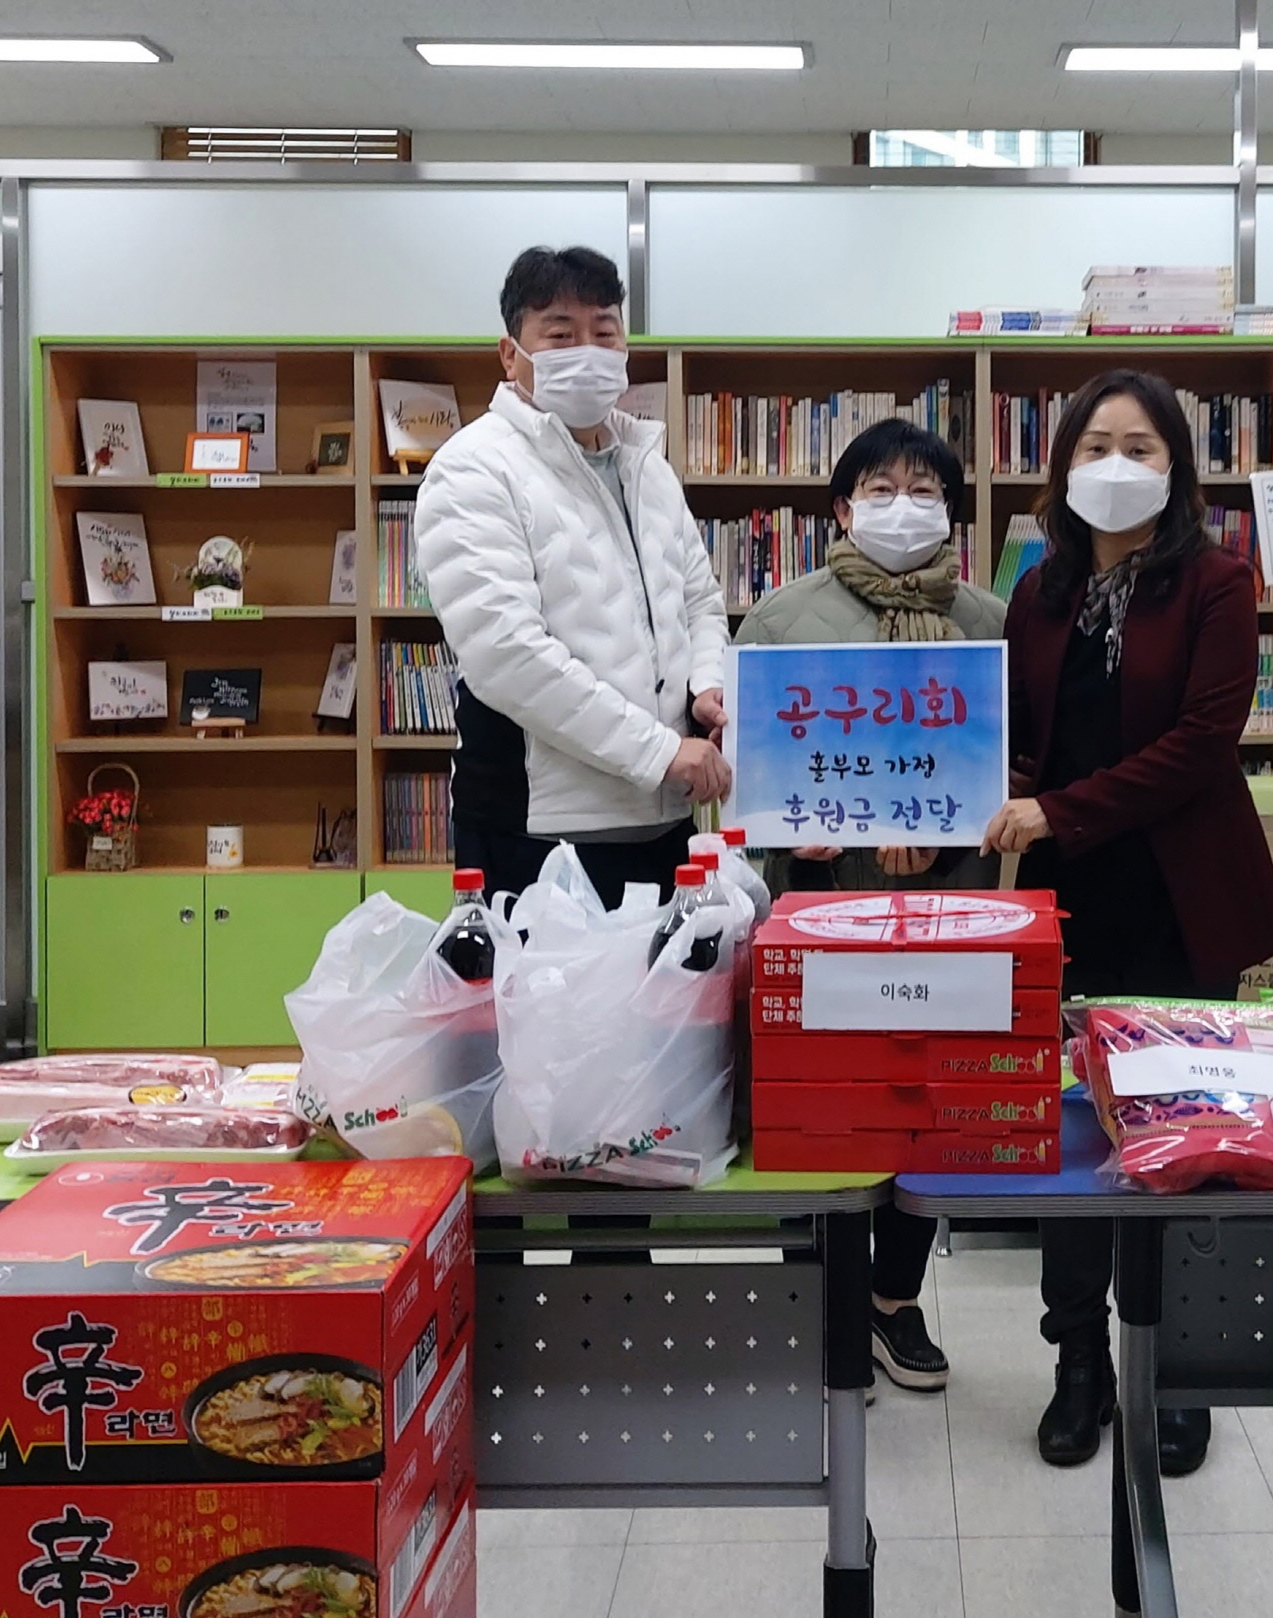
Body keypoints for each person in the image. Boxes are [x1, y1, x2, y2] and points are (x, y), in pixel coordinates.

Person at [982, 369, 1273, 1477]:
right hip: (1061, 901)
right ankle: (1077, 1363)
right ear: (1061, 468)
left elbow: (1201, 745)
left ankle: (1175, 1367)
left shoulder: (1215, 581)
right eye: (1093, 446)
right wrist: (974, 795)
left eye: (1140, 447)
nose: (1115, 465)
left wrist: (1055, 807)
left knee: (1182, 1140)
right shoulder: (1036, 590)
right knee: (1069, 1142)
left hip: (1177, 897)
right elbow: (1015, 738)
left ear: (1175, 469)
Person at [735, 417, 1003, 1395]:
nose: (903, 505)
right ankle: (817, 1293)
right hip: (822, 905)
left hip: (950, 903)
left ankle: (894, 1298)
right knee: (824, 1106)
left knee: (927, 1104)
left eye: (923, 487)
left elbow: (1007, 767)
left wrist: (951, 824)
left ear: (949, 511)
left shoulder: (987, 619)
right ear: (841, 507)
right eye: (880, 487)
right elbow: (748, 788)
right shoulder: (777, 618)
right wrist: (786, 825)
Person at [417, 245, 731, 908]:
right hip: (538, 828)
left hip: (664, 816)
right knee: (549, 1012)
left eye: (604, 332)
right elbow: (507, 654)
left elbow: (700, 602)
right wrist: (659, 750)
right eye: (559, 334)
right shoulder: (473, 469)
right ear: (511, 354)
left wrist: (708, 687)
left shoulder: (648, 464)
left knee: (670, 1010)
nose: (586, 350)